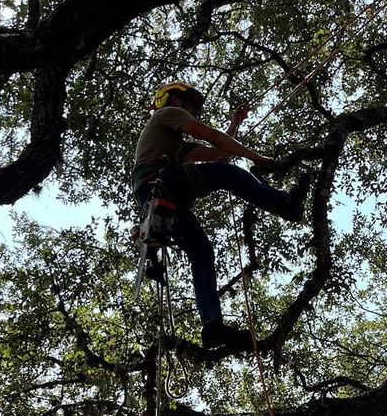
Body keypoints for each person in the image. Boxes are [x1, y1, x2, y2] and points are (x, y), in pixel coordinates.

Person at [132, 81, 310, 349]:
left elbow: (217, 153)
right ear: (174, 100)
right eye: (189, 101)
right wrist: (259, 159)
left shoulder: (176, 145)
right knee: (226, 175)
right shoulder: (165, 114)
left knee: (202, 252)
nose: (192, 108)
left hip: (159, 194)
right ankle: (285, 205)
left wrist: (234, 124)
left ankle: (212, 327)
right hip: (158, 183)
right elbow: (213, 139)